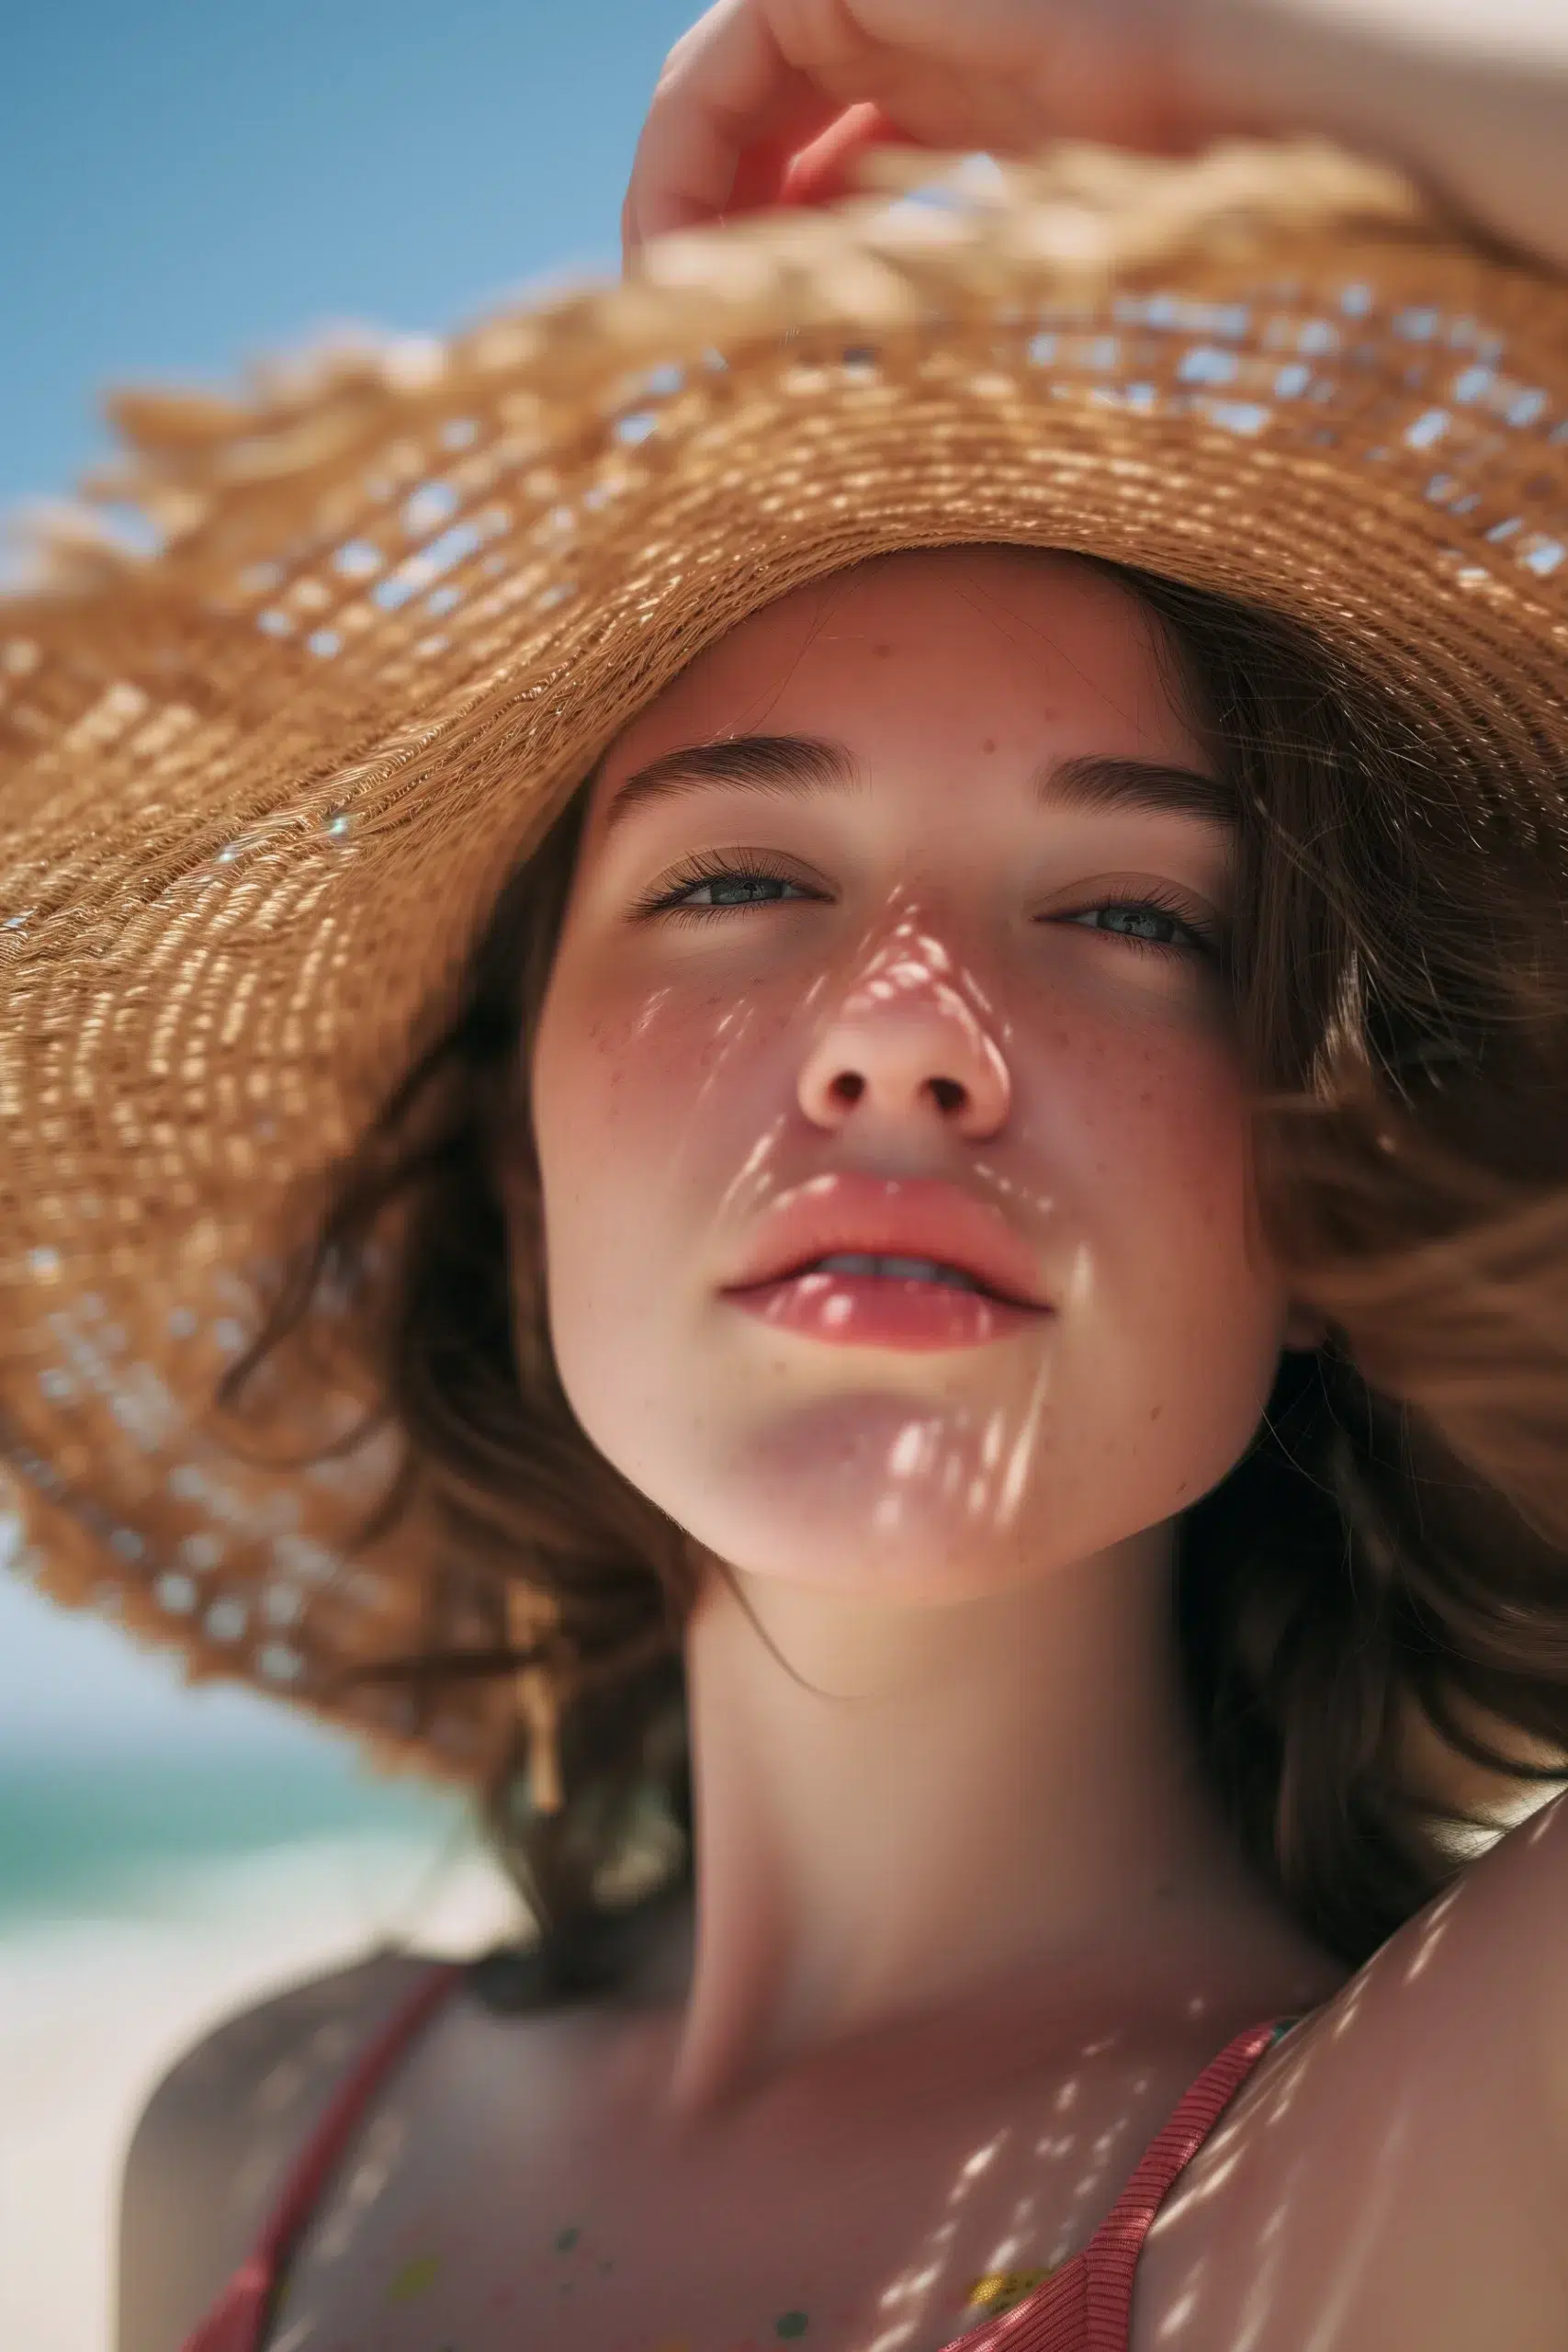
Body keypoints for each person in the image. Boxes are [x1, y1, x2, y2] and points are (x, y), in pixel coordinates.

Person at [2, 5, 1565, 2350]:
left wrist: (1212, 63)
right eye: (738, 880)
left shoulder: (1447, 2136)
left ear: (1318, 1194)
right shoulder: (253, 2137)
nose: (904, 1032)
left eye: (1138, 918)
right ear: (515, 1160)